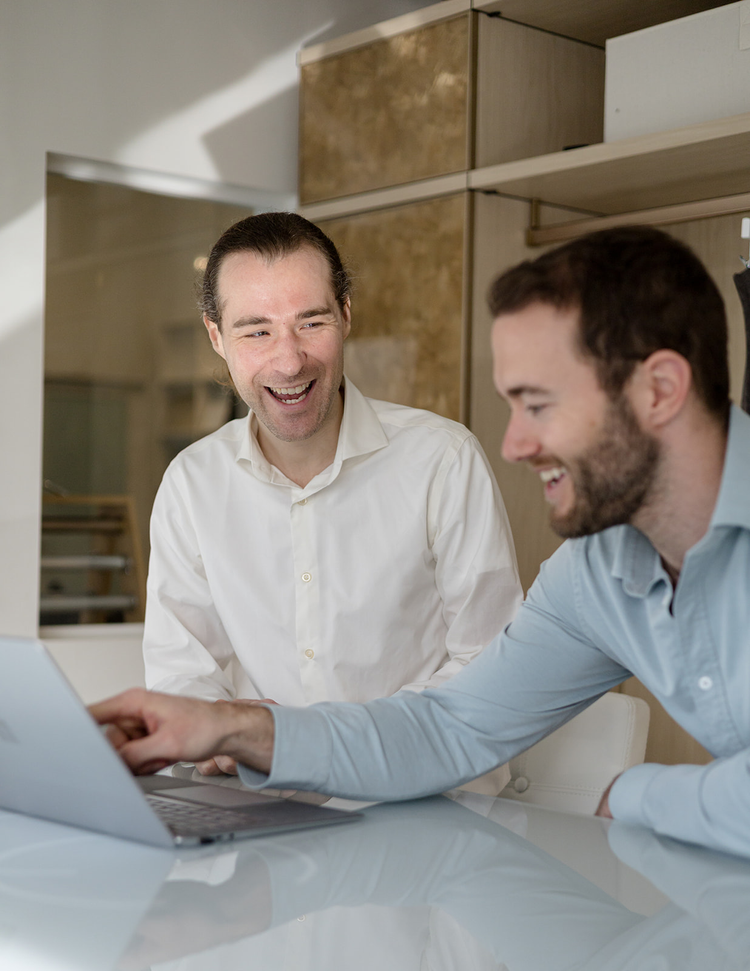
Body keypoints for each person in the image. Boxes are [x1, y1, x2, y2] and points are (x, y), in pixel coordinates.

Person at [93, 225, 750, 858]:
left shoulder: (444, 461)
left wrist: (635, 794)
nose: (514, 444)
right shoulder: (594, 573)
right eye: (256, 329)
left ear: (660, 389)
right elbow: (450, 725)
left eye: (538, 404)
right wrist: (235, 727)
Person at [142, 211, 521, 784]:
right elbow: (180, 674)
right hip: (269, 813)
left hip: (428, 807)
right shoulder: (191, 484)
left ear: (345, 315)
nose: (289, 360)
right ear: (217, 337)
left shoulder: (443, 460)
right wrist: (215, 729)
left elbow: (490, 668)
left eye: (310, 322)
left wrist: (307, 743)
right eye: (256, 330)